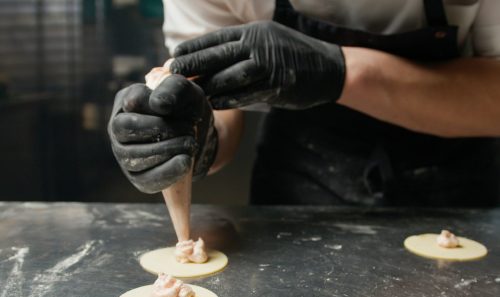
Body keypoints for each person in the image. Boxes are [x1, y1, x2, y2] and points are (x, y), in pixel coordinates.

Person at [108, 0, 500, 207]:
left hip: (457, 182)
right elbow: (216, 101)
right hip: (301, 185)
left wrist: (340, 72)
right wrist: (196, 137)